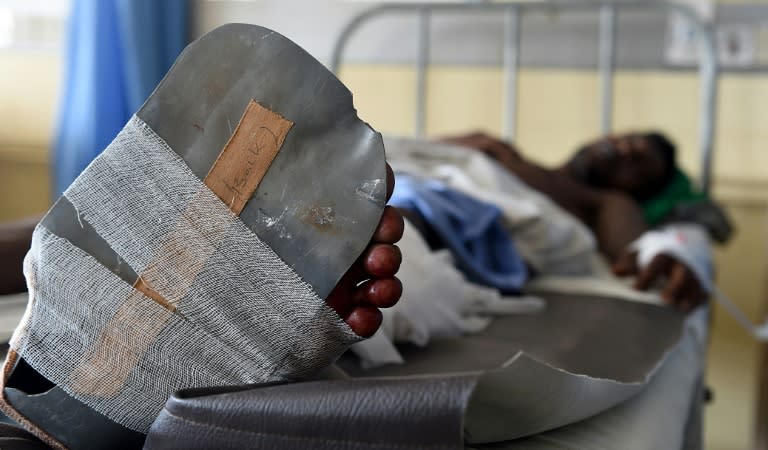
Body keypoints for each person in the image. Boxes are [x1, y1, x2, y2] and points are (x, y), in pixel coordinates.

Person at [436, 131, 708, 310]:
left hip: (441, 220)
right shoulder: (496, 149)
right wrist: (465, 144)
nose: (623, 149)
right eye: (624, 139)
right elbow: (404, 150)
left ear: (638, 192)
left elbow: (634, 252)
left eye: (638, 162)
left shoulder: (605, 201)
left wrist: (660, 255)